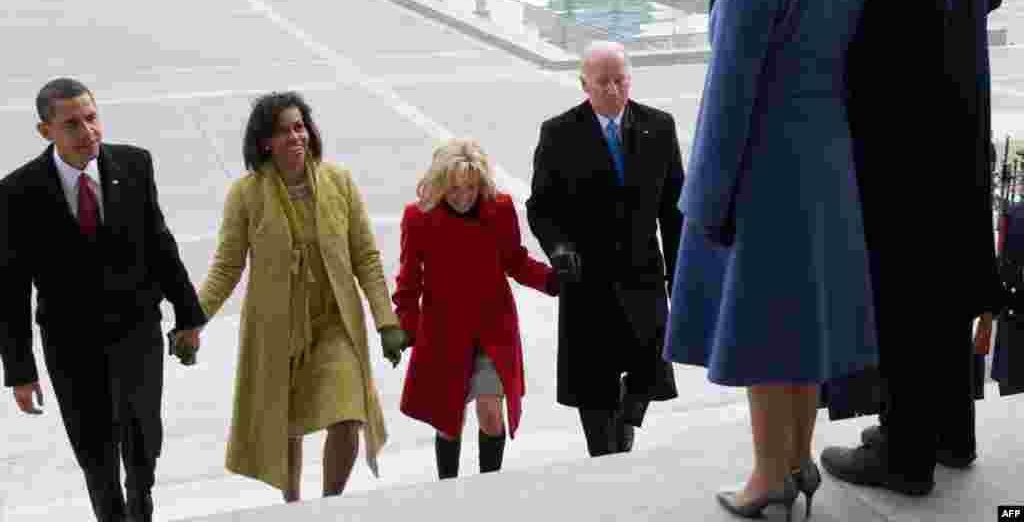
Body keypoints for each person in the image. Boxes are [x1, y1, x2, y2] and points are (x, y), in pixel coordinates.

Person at [663, 0, 878, 520]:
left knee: (763, 331)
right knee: (802, 327)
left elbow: (731, 88)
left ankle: (767, 475)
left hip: (766, 165)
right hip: (828, 157)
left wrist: (707, 201)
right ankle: (799, 460)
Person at [823, 0, 1008, 496]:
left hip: (907, 126)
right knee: (943, 282)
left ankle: (904, 453)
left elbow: (907, 6)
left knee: (904, 287)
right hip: (960, 109)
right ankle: (949, 432)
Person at [0, 78, 206, 522]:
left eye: (91, 118)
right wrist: (20, 370)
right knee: (95, 452)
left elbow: (159, 243)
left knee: (142, 440)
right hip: (70, 344)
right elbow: (11, 287)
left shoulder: (134, 164)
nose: (88, 131)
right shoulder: (17, 191)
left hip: (137, 332)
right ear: (45, 131)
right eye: (72, 123)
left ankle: (141, 506)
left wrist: (188, 315)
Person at [193, 92, 408, 504]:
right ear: (264, 143)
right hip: (278, 330)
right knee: (286, 427)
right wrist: (192, 321)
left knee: (348, 416)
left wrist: (387, 322)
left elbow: (365, 257)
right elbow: (226, 268)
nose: (296, 136)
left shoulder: (339, 182)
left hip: (335, 325)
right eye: (283, 130)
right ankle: (291, 506)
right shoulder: (245, 194)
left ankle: (330, 503)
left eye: (299, 126)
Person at [527, 40, 684, 459]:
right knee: (593, 383)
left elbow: (673, 207)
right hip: (587, 276)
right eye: (603, 82)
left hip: (642, 272)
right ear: (584, 84)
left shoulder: (660, 126)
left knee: (649, 368)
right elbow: (541, 207)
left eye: (620, 81)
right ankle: (602, 456)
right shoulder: (559, 132)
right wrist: (559, 249)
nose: (613, 91)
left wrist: (681, 272)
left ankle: (627, 420)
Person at [394, 138, 559, 480]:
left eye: (470, 188)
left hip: (492, 331)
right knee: (448, 423)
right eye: (454, 189)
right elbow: (409, 284)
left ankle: (489, 491)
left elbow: (515, 261)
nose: (463, 196)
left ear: (481, 184)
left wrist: (554, 281)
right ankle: (448, 493)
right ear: (440, 186)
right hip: (443, 334)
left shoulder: (499, 209)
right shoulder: (418, 218)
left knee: (490, 412)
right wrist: (404, 330)